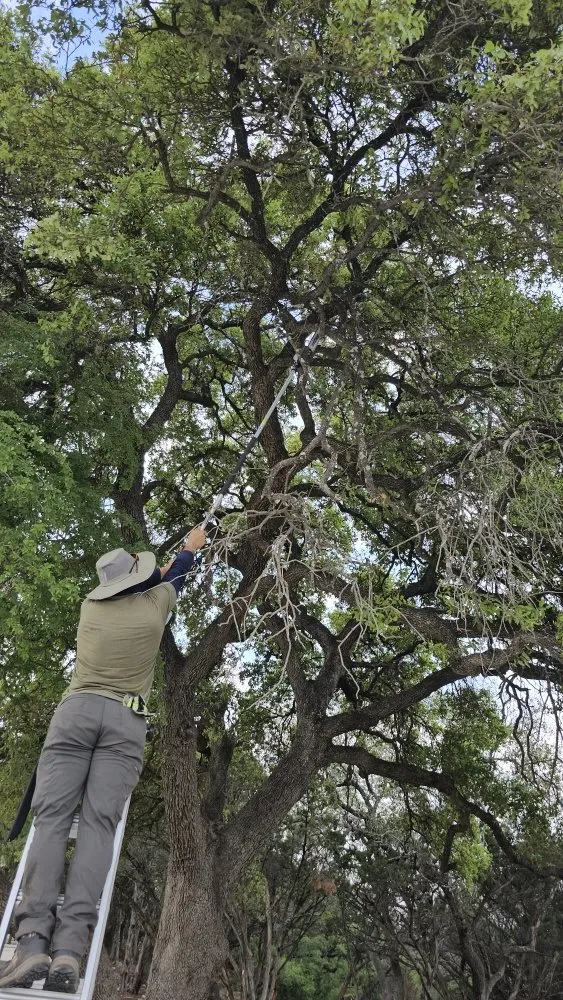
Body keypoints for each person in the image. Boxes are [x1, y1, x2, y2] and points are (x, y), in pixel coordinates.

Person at [0, 527, 206, 993]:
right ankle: (70, 949)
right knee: (97, 827)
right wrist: (193, 546)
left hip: (75, 715)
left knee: (51, 822)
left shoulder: (90, 609)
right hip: (125, 724)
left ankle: (32, 942)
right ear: (138, 582)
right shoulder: (154, 610)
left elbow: (160, 577)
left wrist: (168, 564)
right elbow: (178, 574)